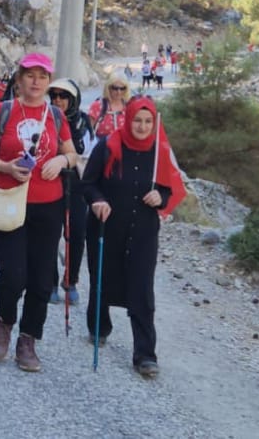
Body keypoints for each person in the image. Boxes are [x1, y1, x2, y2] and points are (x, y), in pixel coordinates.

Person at [0, 53, 76, 372]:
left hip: (49, 204)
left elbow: (72, 153)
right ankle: (5, 320)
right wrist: (4, 166)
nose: (36, 81)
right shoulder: (3, 112)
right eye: (30, 74)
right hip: (7, 199)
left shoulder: (57, 117)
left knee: (42, 279)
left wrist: (62, 161)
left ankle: (28, 339)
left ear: (48, 81)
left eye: (42, 76)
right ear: (19, 79)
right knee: (14, 274)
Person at [80, 96, 172, 378]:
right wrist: (96, 201)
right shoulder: (108, 146)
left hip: (143, 230)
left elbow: (167, 189)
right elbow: (88, 183)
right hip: (107, 224)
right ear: (128, 118)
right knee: (102, 277)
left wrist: (161, 196)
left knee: (142, 288)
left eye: (148, 121)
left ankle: (145, 354)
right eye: (137, 120)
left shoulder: (160, 153)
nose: (142, 126)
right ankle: (100, 328)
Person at [46, 78, 94, 305]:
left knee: (76, 233)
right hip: (50, 183)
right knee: (50, 234)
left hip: (77, 186)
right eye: (54, 95)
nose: (58, 100)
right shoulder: (45, 119)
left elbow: (89, 155)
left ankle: (71, 279)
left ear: (73, 99)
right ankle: (51, 281)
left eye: (63, 96)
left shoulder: (83, 123)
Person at [88, 74, 130, 140]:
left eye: (122, 88)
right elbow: (88, 131)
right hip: (102, 147)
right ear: (108, 88)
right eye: (115, 88)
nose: (119, 92)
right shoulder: (97, 106)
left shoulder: (129, 107)